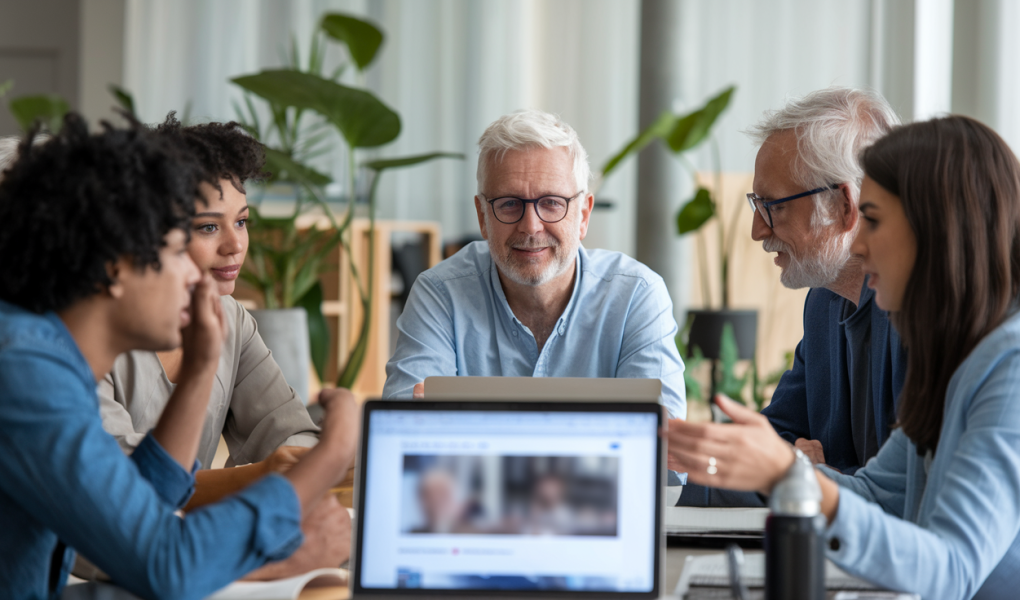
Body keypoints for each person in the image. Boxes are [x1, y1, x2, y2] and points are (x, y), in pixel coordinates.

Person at [0, 114, 358, 600]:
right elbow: (163, 563)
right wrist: (331, 455)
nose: (195, 275)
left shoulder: (40, 352)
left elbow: (137, 499)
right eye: (174, 249)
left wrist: (199, 367)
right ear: (114, 266)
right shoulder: (23, 370)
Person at [667, 115, 1020, 598]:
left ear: (936, 229)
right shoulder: (957, 354)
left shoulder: (1011, 366)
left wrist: (786, 473)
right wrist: (769, 465)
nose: (857, 241)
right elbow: (877, 493)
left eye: (873, 220)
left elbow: (953, 570)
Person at [382, 109, 686, 419]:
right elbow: (404, 434)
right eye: (509, 204)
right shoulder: (440, 294)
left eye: (552, 203)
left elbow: (664, 451)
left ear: (583, 215)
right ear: (482, 217)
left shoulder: (636, 295)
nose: (531, 227)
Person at [749, 87, 906, 473]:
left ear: (843, 206)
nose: (757, 230)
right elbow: (774, 438)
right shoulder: (824, 301)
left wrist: (810, 475)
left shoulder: (920, 310)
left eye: (774, 207)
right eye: (756, 204)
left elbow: (908, 492)